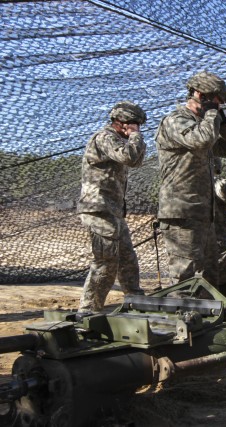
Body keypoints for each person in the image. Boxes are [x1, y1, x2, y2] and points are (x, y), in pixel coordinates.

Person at [155, 71, 226, 286]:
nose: (218, 107)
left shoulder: (205, 125)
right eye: (216, 101)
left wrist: (224, 122)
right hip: (182, 212)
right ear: (200, 95)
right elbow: (201, 140)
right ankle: (182, 319)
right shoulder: (176, 120)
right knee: (185, 279)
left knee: (211, 278)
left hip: (203, 213)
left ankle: (211, 320)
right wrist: (211, 115)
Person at [77, 101, 147, 313]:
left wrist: (134, 137)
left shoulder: (117, 139)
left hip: (112, 211)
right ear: (122, 123)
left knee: (127, 258)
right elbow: (130, 158)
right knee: (106, 261)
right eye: (134, 124)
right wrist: (135, 136)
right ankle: (88, 311)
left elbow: (137, 158)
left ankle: (135, 300)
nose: (137, 129)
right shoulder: (105, 137)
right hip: (98, 208)